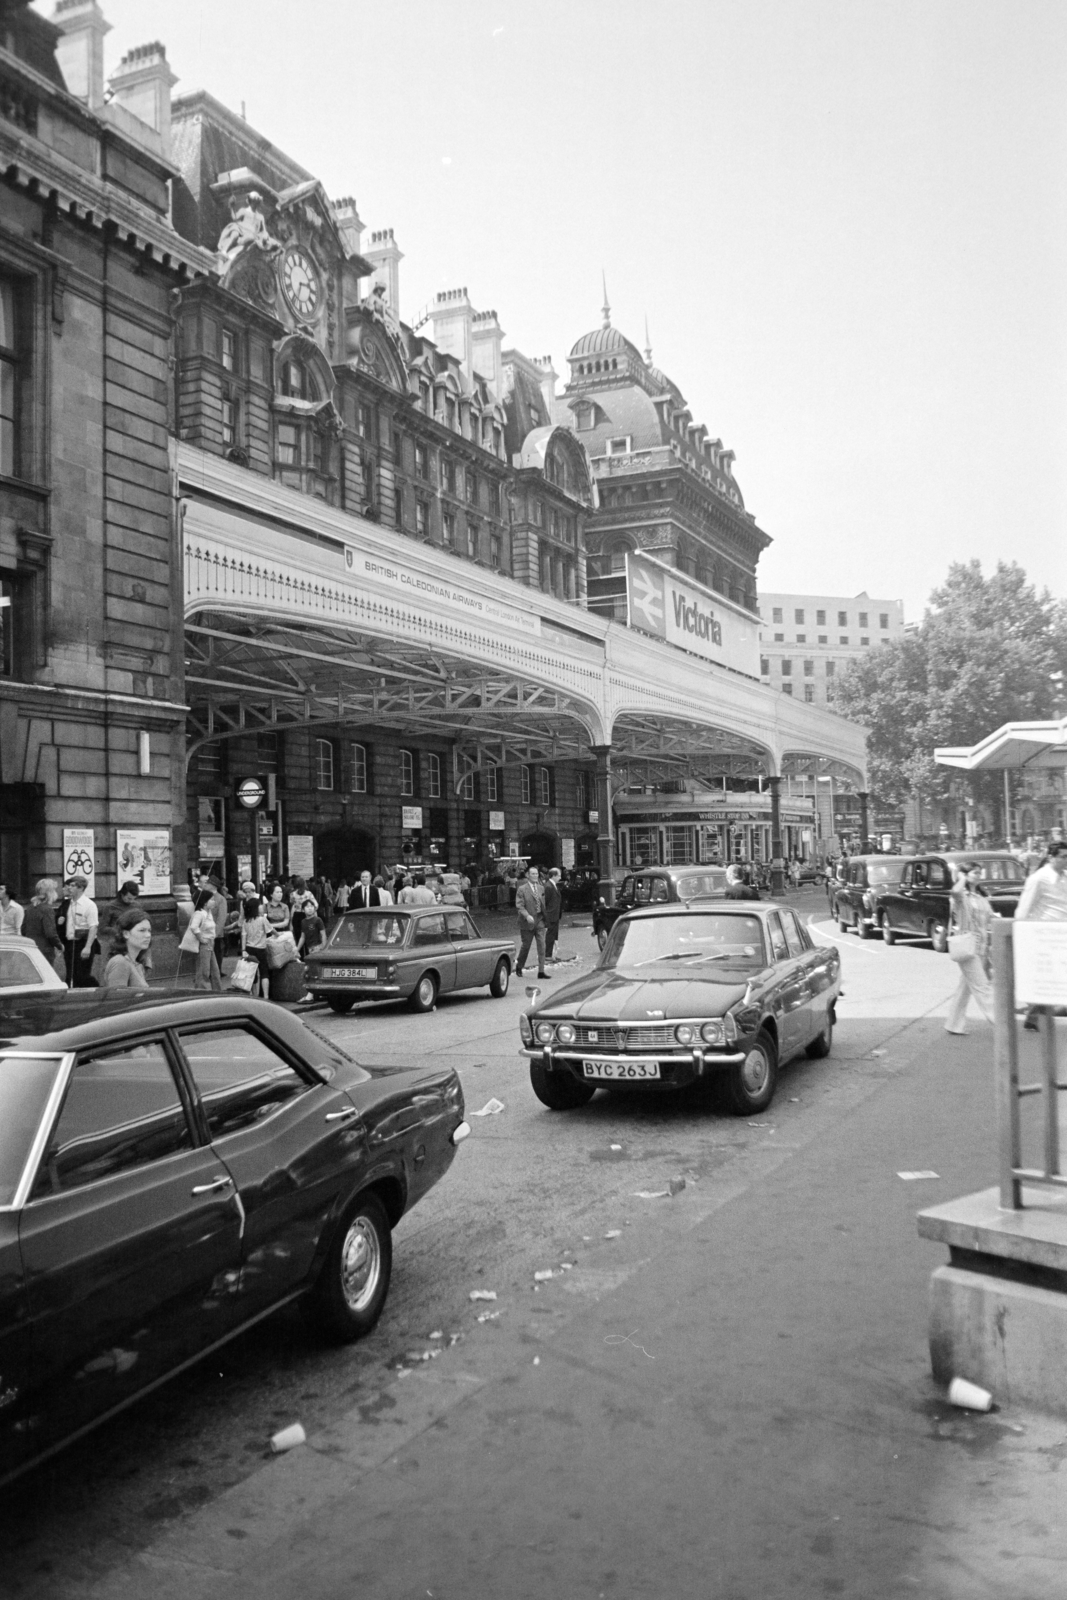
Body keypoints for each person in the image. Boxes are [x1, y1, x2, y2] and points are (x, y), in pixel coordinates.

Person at [1015, 841, 1067, 1030]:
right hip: (1046, 938)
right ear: (1051, 857)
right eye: (1063, 856)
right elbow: (1022, 912)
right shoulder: (1038, 879)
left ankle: (1035, 1014)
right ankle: (1038, 1013)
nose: (1066, 860)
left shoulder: (1065, 877)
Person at [944, 862, 994, 1035]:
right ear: (965, 875)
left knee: (965, 988)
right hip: (967, 945)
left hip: (981, 946)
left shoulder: (980, 897)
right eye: (975, 873)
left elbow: (989, 918)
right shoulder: (961, 895)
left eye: (980, 873)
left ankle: (953, 1024)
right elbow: (955, 891)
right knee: (983, 987)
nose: (979, 876)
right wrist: (960, 877)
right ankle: (1000, 1022)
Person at [60, 875, 99, 987]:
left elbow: (93, 927)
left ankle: (95, 988)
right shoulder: (69, 903)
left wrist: (87, 947)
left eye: (73, 886)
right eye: (70, 885)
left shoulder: (89, 905)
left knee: (82, 975)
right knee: (70, 974)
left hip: (83, 942)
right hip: (70, 943)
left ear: (81, 888)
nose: (69, 888)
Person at [102, 908, 153, 989]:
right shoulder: (120, 962)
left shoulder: (137, 964)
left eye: (149, 931)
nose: (148, 935)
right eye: (142, 930)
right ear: (126, 934)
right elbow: (117, 999)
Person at [515, 866, 550, 979]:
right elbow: (520, 906)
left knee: (542, 945)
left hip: (539, 920)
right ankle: (519, 966)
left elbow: (543, 904)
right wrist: (527, 915)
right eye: (533, 874)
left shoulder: (541, 888)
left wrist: (546, 919)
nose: (535, 876)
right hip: (527, 922)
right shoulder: (522, 889)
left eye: (536, 874)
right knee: (526, 946)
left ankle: (541, 971)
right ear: (528, 875)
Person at [22, 880, 64, 970]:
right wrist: (59, 945)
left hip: (31, 948)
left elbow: (23, 929)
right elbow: (50, 933)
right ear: (50, 893)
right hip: (45, 950)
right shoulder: (47, 909)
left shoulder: (30, 908)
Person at [188, 887, 223, 992]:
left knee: (214, 971)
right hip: (205, 944)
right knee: (204, 971)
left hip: (210, 944)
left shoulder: (208, 913)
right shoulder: (200, 913)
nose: (214, 901)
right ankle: (202, 991)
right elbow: (194, 927)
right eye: (211, 899)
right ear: (204, 902)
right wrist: (201, 939)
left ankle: (217, 991)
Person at [240, 896, 272, 998]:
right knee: (264, 973)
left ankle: (254, 996)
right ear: (256, 908)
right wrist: (279, 935)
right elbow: (271, 931)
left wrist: (243, 950)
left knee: (252, 973)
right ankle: (266, 996)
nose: (261, 907)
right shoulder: (262, 919)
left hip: (249, 949)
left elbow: (243, 936)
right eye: (259, 905)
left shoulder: (246, 921)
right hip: (261, 949)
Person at [100, 880, 141, 959]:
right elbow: (102, 928)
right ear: (122, 894)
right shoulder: (110, 906)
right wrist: (119, 931)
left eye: (134, 899)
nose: (131, 901)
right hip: (117, 945)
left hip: (134, 944)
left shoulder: (137, 906)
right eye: (129, 898)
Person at [544, 868, 563, 960]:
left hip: (555, 915)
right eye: (559, 875)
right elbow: (545, 902)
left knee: (555, 935)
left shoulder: (553, 885)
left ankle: (553, 954)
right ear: (554, 876)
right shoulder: (548, 886)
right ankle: (548, 954)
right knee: (550, 935)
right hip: (550, 915)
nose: (560, 877)